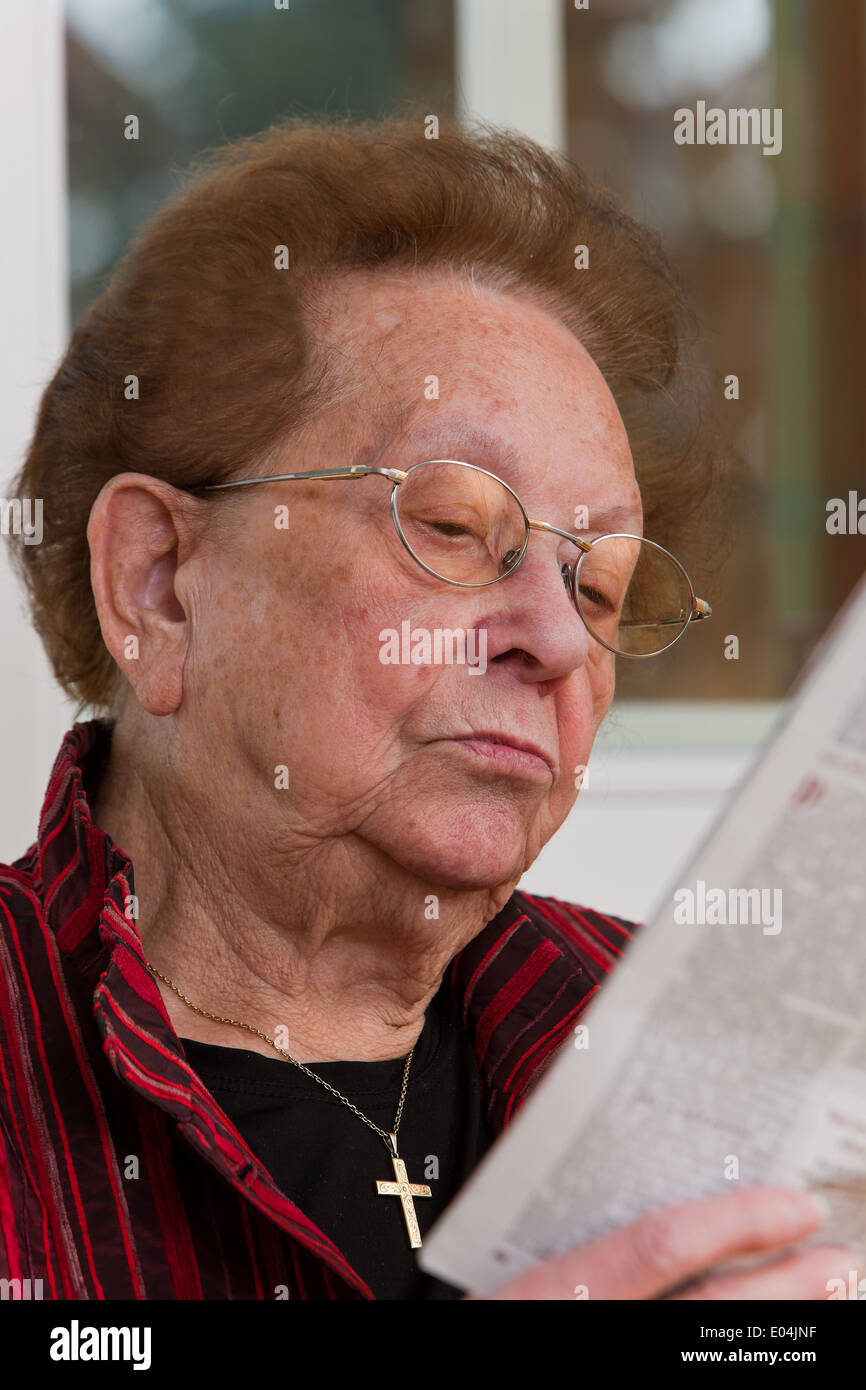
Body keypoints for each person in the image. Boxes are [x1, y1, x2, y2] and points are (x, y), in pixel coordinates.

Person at [1, 115, 854, 1301]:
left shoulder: (680, 1047)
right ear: (160, 584)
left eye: (596, 583)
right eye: (453, 525)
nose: (558, 640)